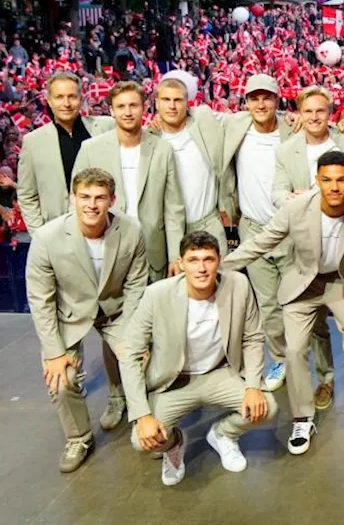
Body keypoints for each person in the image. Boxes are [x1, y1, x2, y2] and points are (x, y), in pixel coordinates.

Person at [223, 150, 344, 454]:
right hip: (304, 283)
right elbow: (262, 242)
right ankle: (302, 418)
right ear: (317, 180)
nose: (334, 187)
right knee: (294, 350)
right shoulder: (296, 209)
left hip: (341, 283)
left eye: (341, 180)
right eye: (327, 180)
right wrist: (220, 267)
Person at [120, 231, 278, 486]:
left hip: (220, 373)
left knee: (267, 408)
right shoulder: (157, 295)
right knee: (143, 442)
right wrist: (141, 415)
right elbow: (129, 352)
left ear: (219, 261)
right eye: (193, 260)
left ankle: (223, 434)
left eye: (209, 259)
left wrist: (252, 386)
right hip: (174, 381)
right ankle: (175, 444)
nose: (202, 268)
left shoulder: (238, 285)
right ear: (181, 263)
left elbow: (253, 338)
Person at [24, 167, 149, 473]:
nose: (92, 204)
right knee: (61, 378)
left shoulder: (132, 231)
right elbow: (41, 300)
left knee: (143, 359)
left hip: (117, 311)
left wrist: (131, 338)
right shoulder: (47, 238)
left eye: (100, 198)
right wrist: (54, 353)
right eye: (85, 197)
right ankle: (79, 438)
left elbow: (136, 287)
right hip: (70, 314)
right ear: (73, 198)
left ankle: (143, 422)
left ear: (112, 200)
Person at [270, 85, 344, 408]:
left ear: (330, 113)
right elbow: (277, 193)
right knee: (313, 323)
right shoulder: (286, 150)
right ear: (298, 114)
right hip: (304, 253)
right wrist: (301, 201)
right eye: (307, 111)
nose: (314, 117)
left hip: (342, 253)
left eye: (320, 111)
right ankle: (325, 378)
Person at [216, 73, 311, 391]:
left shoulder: (293, 130)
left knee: (300, 303)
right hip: (254, 230)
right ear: (245, 103)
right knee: (268, 305)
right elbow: (189, 115)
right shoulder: (235, 126)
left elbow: (328, 131)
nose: (260, 103)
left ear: (277, 100)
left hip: (291, 231)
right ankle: (282, 360)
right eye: (253, 98)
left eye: (266, 97)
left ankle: (308, 363)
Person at [73, 82, 185, 282]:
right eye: (121, 106)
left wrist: (175, 255)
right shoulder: (90, 149)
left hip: (152, 253)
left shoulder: (162, 150)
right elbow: (75, 204)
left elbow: (173, 208)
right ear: (111, 110)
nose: (127, 112)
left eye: (133, 105)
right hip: (104, 250)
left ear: (144, 107)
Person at [17, 72, 113, 233]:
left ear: (81, 99)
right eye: (59, 97)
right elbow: (27, 195)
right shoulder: (33, 141)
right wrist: (39, 234)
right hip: (59, 232)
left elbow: (139, 132)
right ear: (49, 100)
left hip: (108, 228)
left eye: (72, 96)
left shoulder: (107, 127)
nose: (66, 103)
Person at [149, 72, 229, 254]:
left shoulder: (204, 120)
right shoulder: (150, 138)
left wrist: (288, 118)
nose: (172, 106)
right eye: (166, 100)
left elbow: (242, 120)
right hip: (169, 233)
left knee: (221, 279)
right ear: (156, 102)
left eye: (178, 100)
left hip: (208, 223)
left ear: (187, 102)